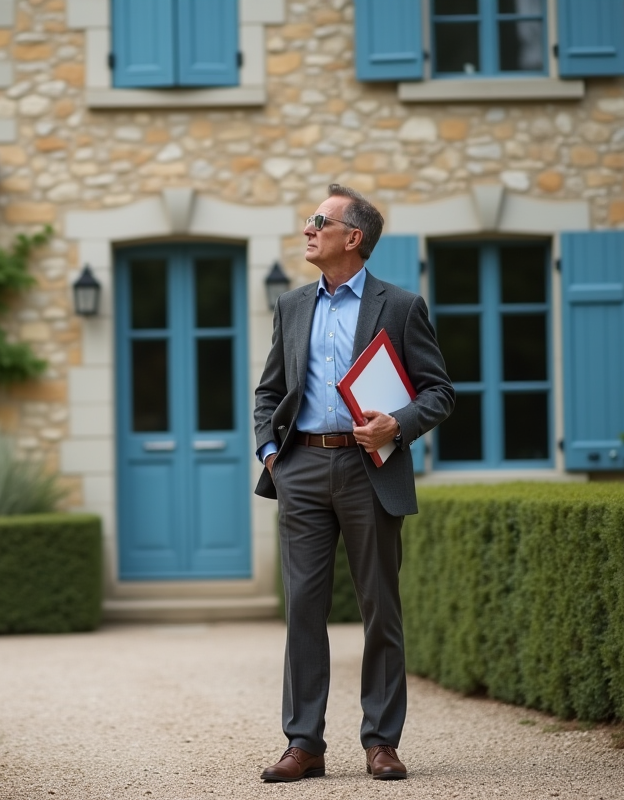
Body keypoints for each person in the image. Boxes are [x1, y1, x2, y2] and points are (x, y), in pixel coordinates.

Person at [253, 184, 454, 782]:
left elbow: (439, 392)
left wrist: (400, 422)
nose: (309, 229)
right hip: (303, 469)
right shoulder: (291, 306)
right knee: (304, 611)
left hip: (373, 470)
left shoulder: (401, 305)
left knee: (380, 610)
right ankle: (303, 744)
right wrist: (271, 454)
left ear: (353, 237)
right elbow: (269, 392)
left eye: (321, 220)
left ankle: (381, 742)